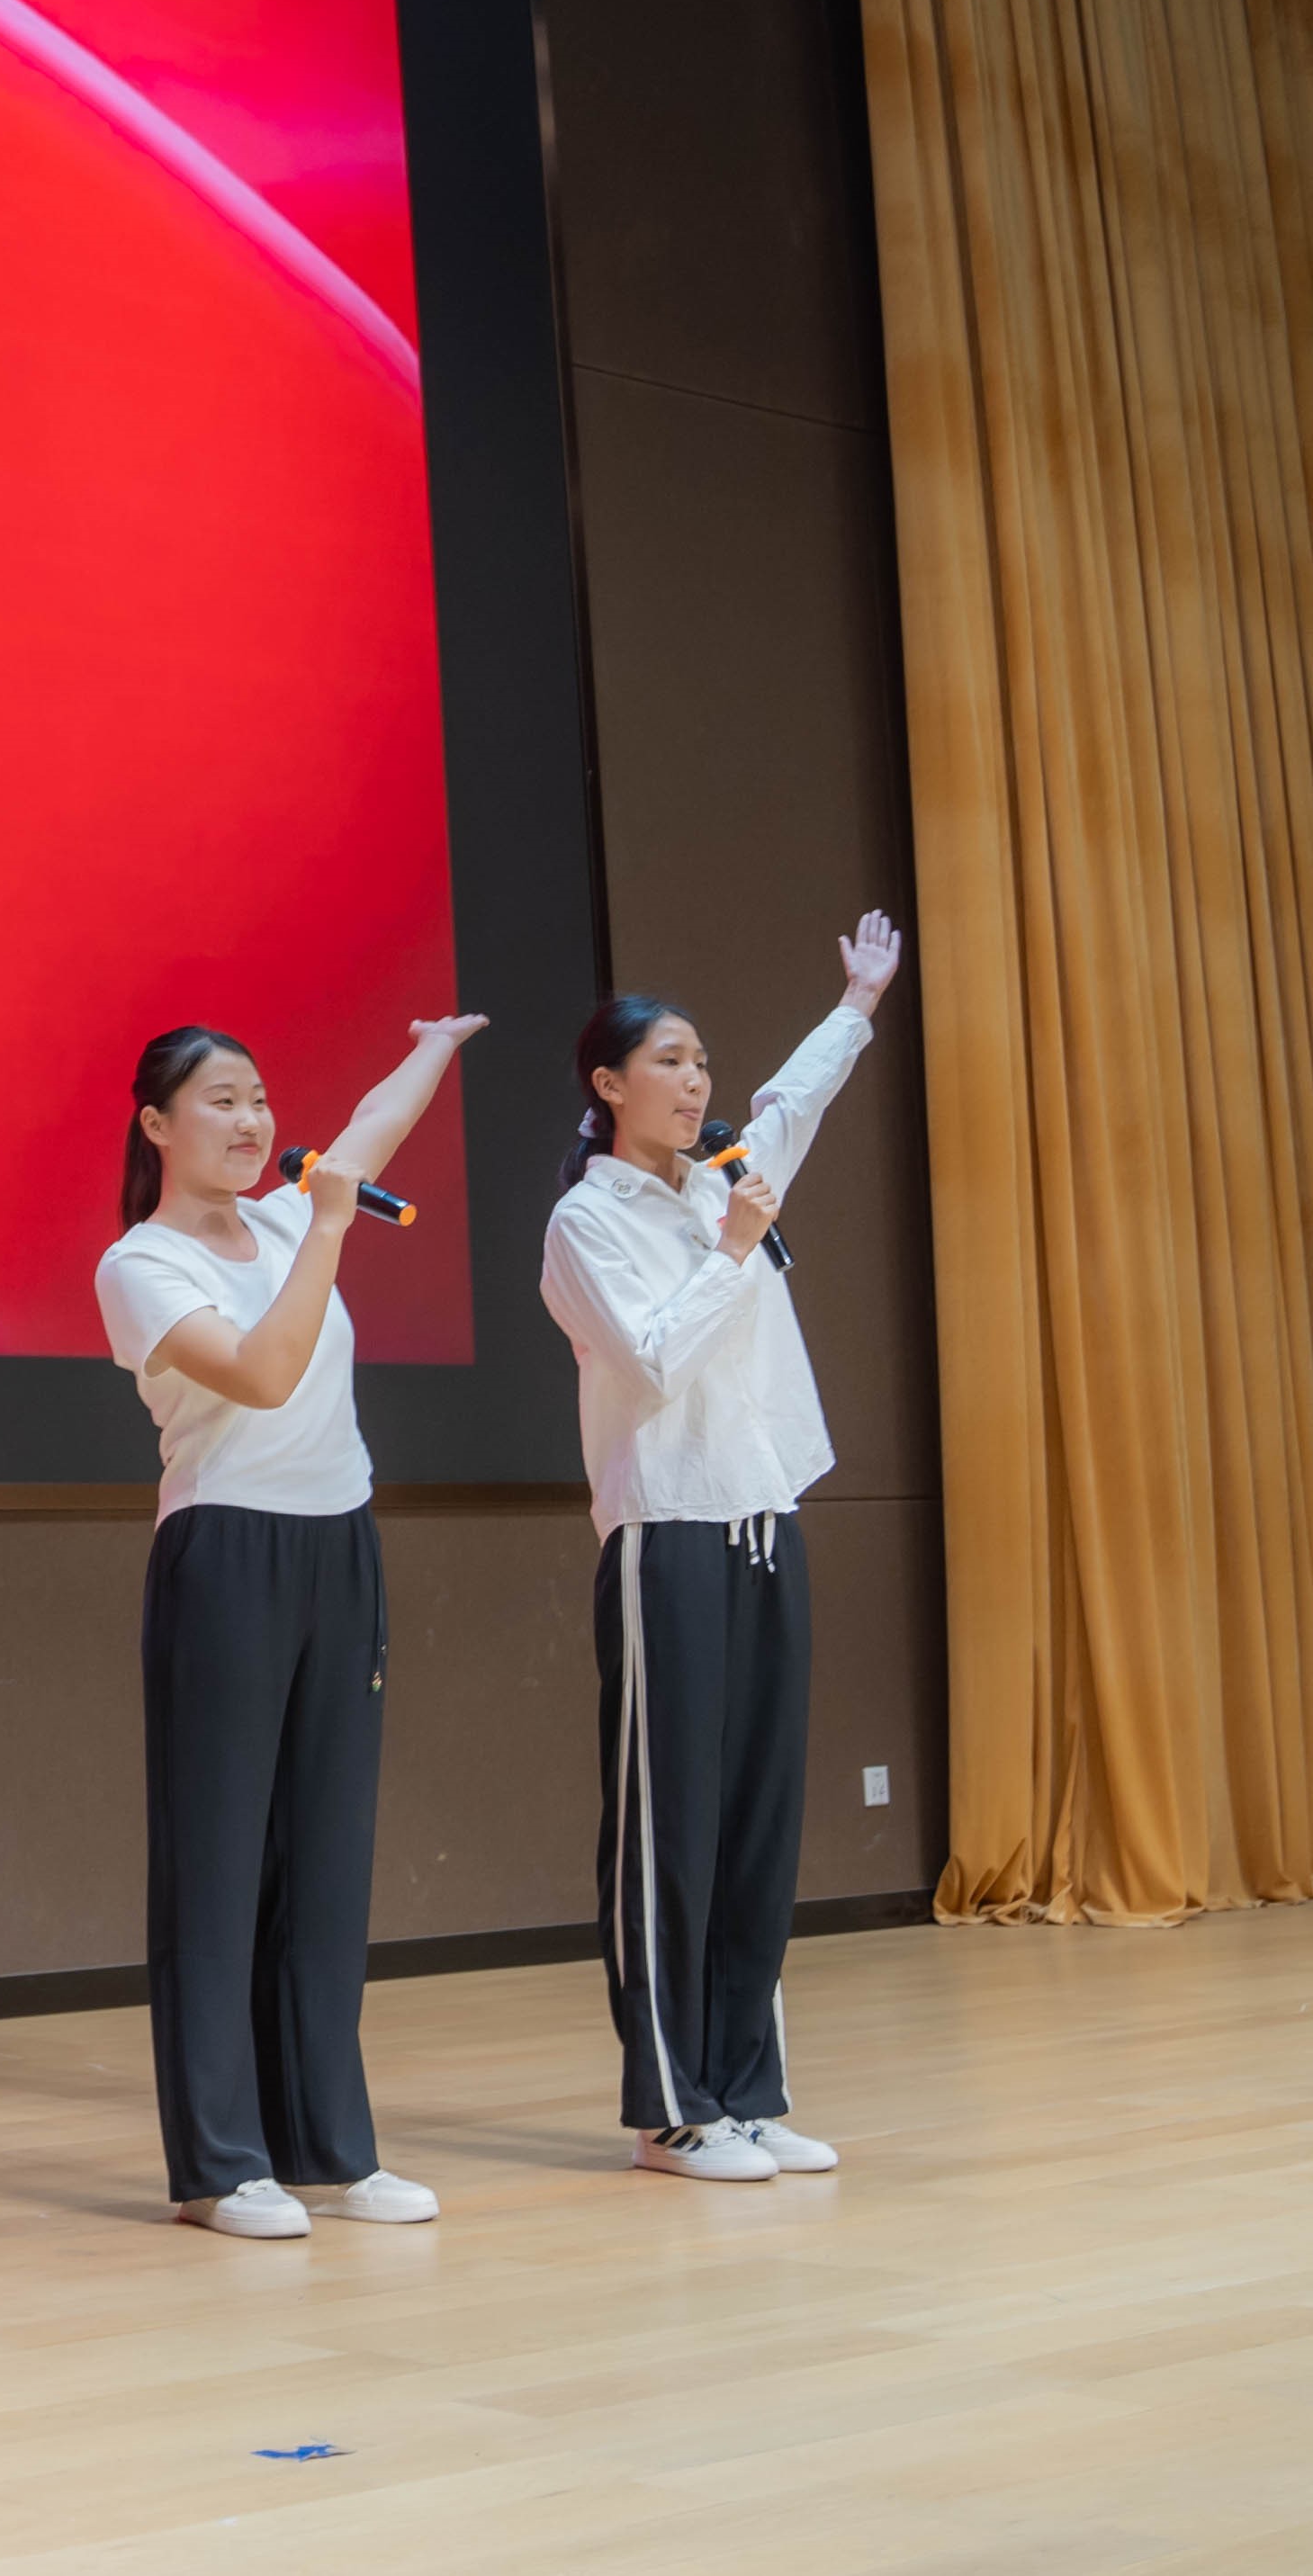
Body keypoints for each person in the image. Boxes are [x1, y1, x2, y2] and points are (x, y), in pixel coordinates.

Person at [102, 1011, 489, 2239]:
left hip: (338, 1543)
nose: (251, 1120)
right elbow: (265, 1374)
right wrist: (324, 1225)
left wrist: (431, 1046)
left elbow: (372, 1123)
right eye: (220, 1099)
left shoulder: (282, 1218)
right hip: (227, 1548)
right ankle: (221, 2164)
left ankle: (330, 2146)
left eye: (259, 1097)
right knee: (218, 1864)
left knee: (325, 1860)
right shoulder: (143, 1263)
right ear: (157, 1124)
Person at [543, 913, 899, 2184]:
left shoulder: (722, 1180)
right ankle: (672, 2108)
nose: (696, 1084)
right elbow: (648, 1361)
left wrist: (855, 1003)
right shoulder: (587, 1224)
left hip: (762, 1520)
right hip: (668, 1535)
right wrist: (733, 1252)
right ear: (609, 1083)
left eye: (702, 1063)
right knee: (669, 1832)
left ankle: (748, 2088)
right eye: (670, 1062)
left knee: (757, 1820)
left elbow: (792, 1101)